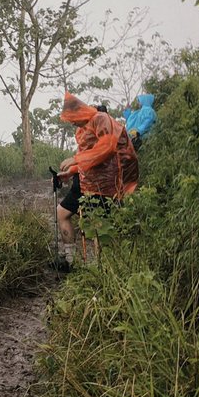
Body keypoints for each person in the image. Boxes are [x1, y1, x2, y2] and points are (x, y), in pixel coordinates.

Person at [55, 94, 121, 267]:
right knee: (62, 213)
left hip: (102, 185)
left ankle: (104, 268)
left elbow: (106, 149)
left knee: (99, 226)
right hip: (83, 182)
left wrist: (76, 159)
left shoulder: (101, 120)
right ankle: (70, 261)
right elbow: (88, 160)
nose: (72, 123)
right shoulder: (82, 130)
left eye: (73, 119)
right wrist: (71, 172)